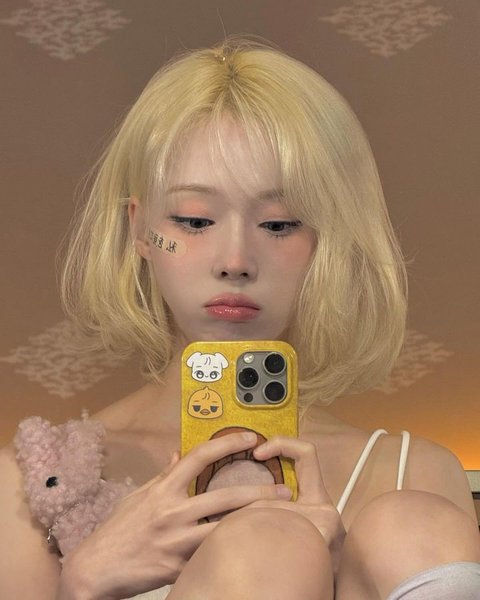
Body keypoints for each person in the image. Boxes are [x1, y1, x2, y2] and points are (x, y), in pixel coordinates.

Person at [1, 36, 479, 600]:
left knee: (410, 524)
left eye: (278, 224)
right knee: (268, 545)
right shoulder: (39, 481)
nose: (235, 261)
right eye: (194, 220)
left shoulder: (413, 472)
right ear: (140, 230)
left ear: (325, 238)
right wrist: (83, 584)